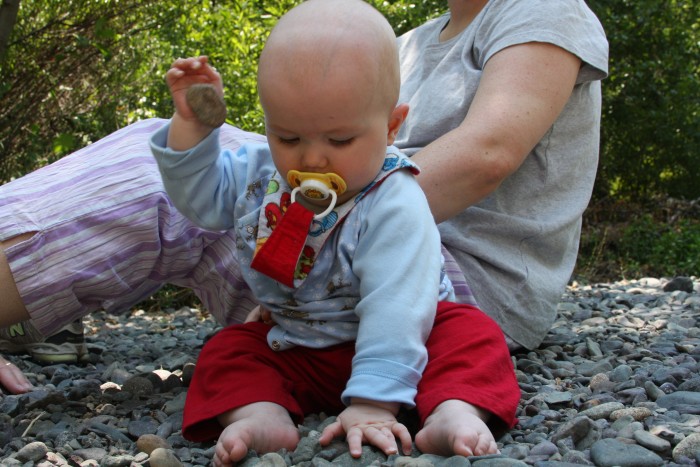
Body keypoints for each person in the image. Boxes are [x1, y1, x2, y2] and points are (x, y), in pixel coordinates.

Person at [0, 0, 607, 409]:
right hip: (320, 265)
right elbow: (264, 174)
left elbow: (488, 152)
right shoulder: (409, 43)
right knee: (166, 148)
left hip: (452, 288)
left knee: (144, 172)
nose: (313, 155)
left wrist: (312, 222)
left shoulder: (541, 10)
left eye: (339, 140)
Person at [152, 1, 518, 463]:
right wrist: (192, 130)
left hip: (410, 344)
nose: (312, 160)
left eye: (340, 141)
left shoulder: (394, 200)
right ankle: (262, 414)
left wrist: (373, 403)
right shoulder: (263, 176)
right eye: (288, 138)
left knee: (472, 335)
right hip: (301, 343)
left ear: (390, 127)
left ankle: (453, 409)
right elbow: (203, 200)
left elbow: (398, 305)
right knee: (227, 350)